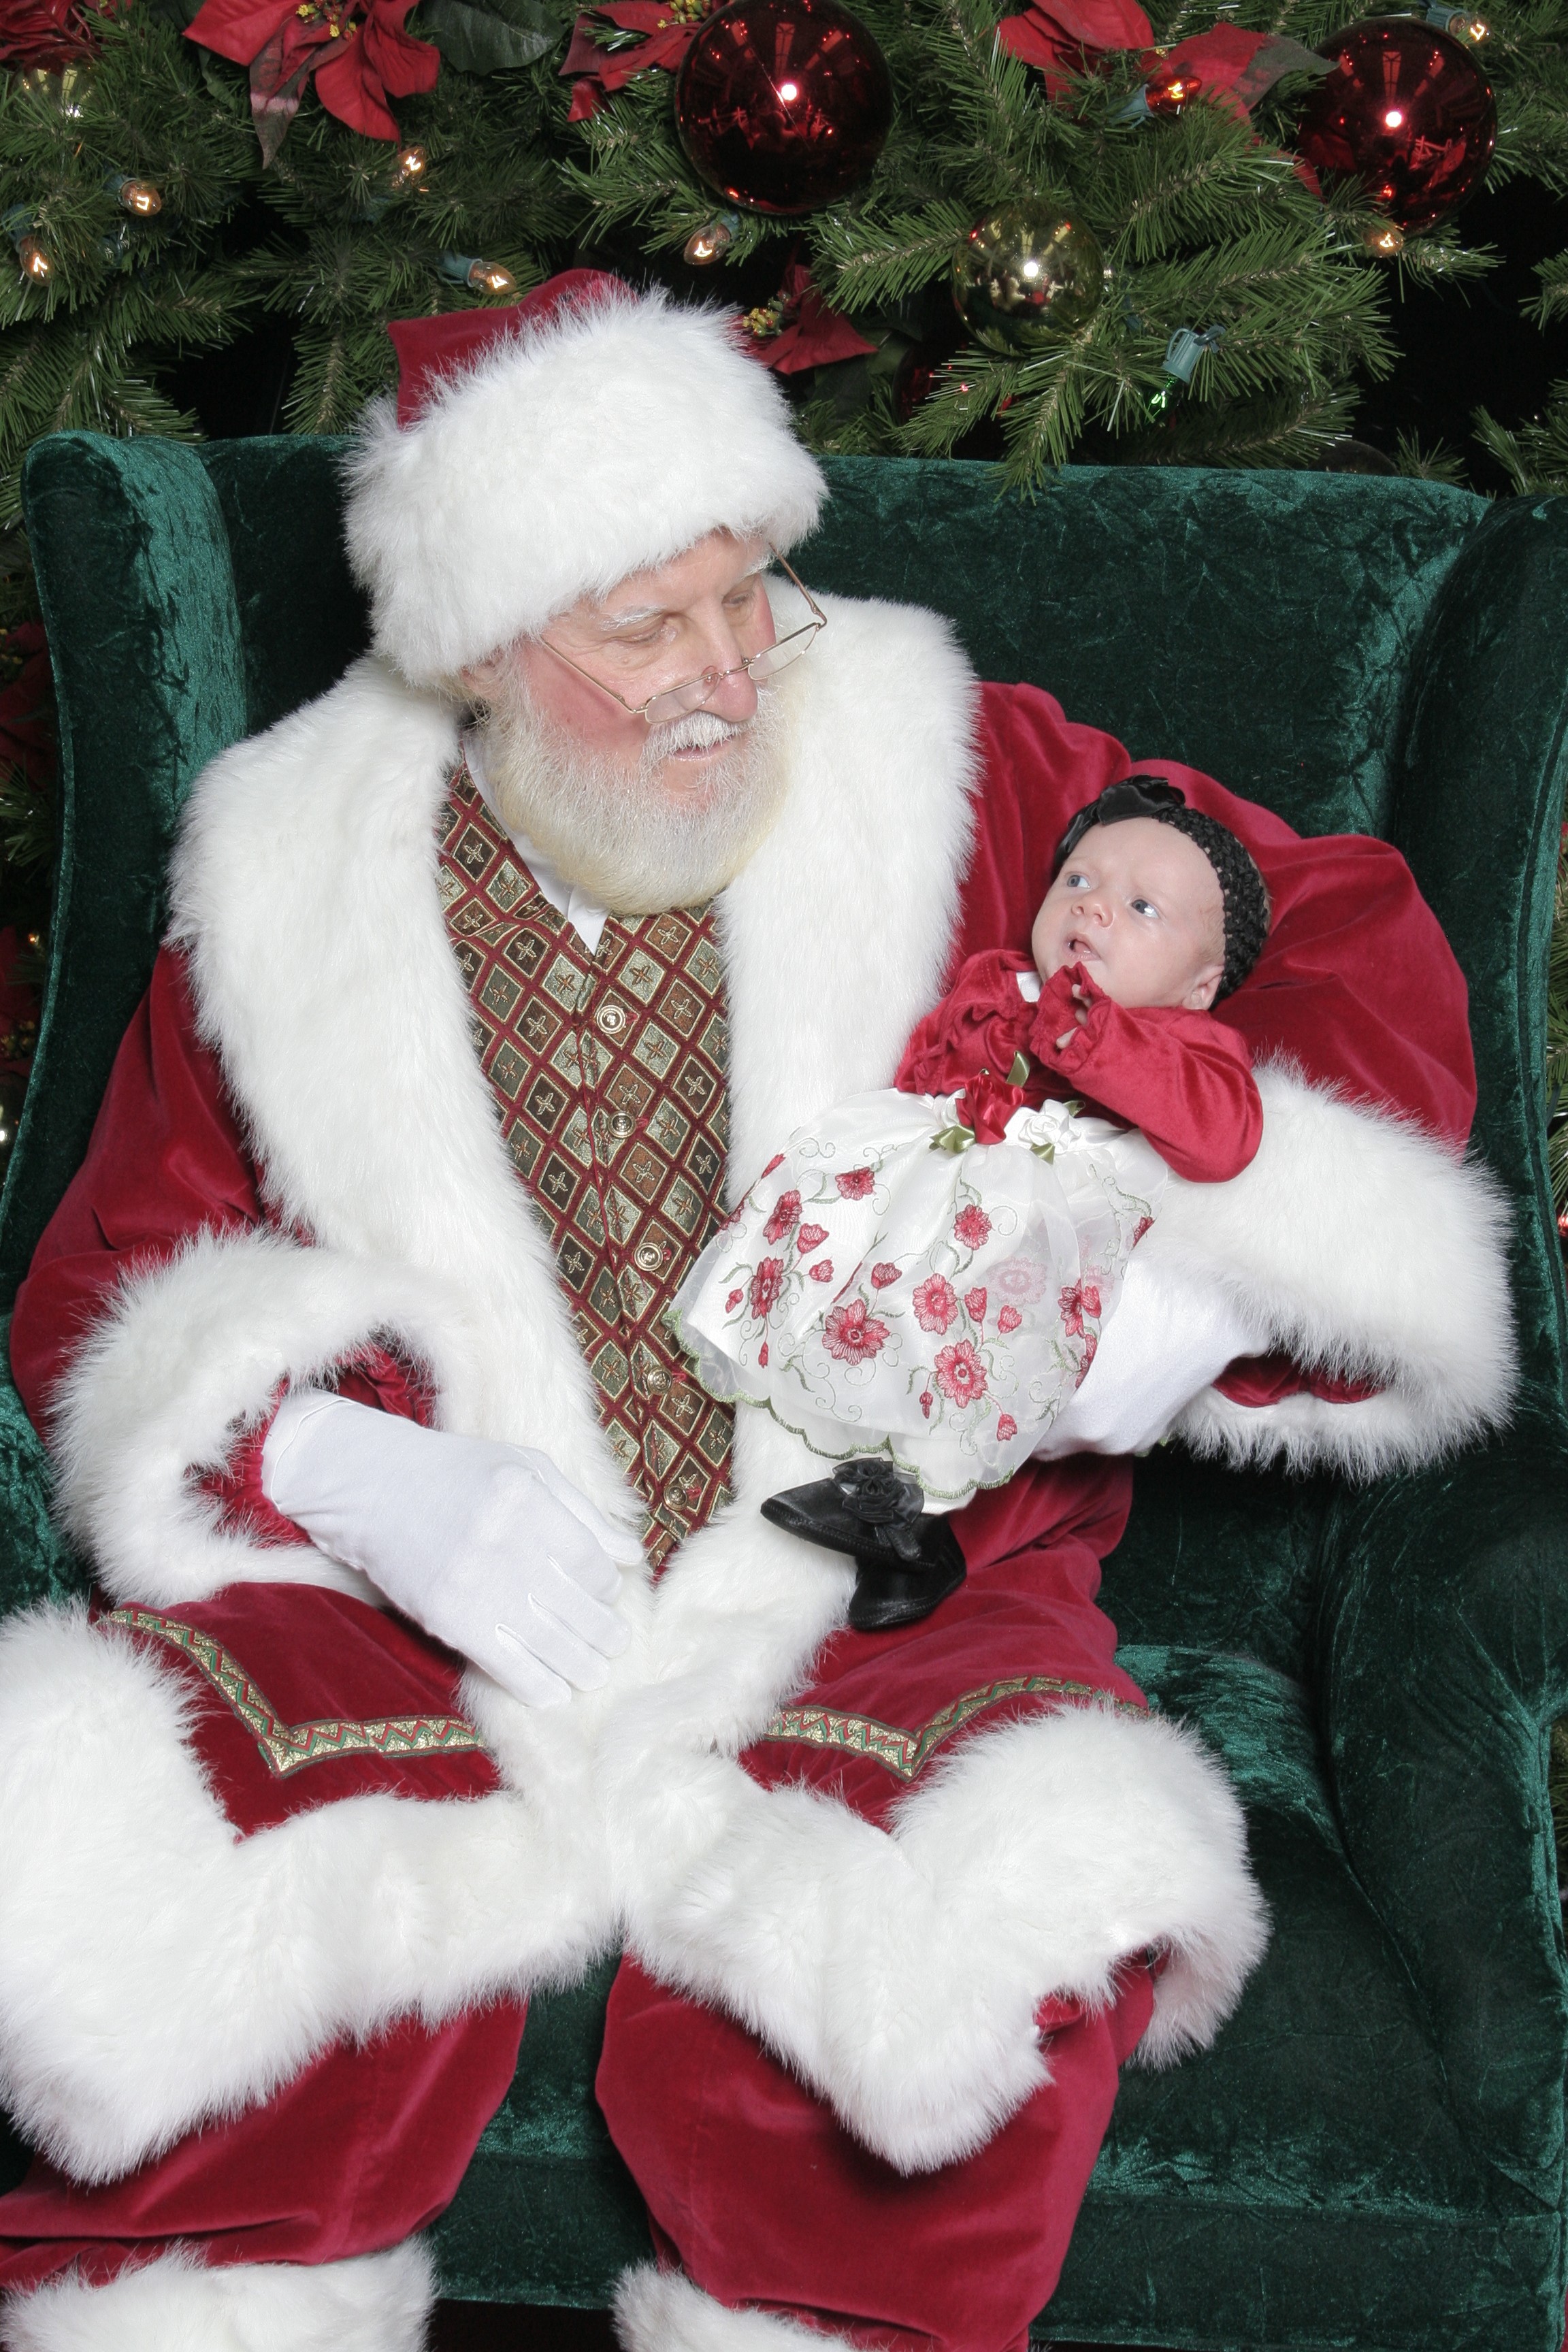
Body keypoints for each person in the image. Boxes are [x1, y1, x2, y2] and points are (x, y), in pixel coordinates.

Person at [0, 274, 1515, 2352]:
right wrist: (347, 1468)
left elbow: (1314, 932)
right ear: (476, 653)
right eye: (645, 628)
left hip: (891, 1573)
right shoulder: (286, 881)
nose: (730, 672)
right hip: (438, 1602)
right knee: (164, 1913)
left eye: (748, 593)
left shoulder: (951, 763)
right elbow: (117, 1274)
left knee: (946, 1973)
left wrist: (1188, 1262)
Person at [672, 779, 1271, 1627]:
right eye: (1080, 881)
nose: (1095, 908)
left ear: (1199, 985)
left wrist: (1098, 1039)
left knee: (976, 1327)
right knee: (848, 1244)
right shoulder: (1002, 982)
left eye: (1141, 908)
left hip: (1047, 1221)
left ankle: (910, 1519)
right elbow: (933, 1055)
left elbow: (1222, 1133)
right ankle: (864, 1486)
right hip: (947, 1174)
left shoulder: (1187, 1040)